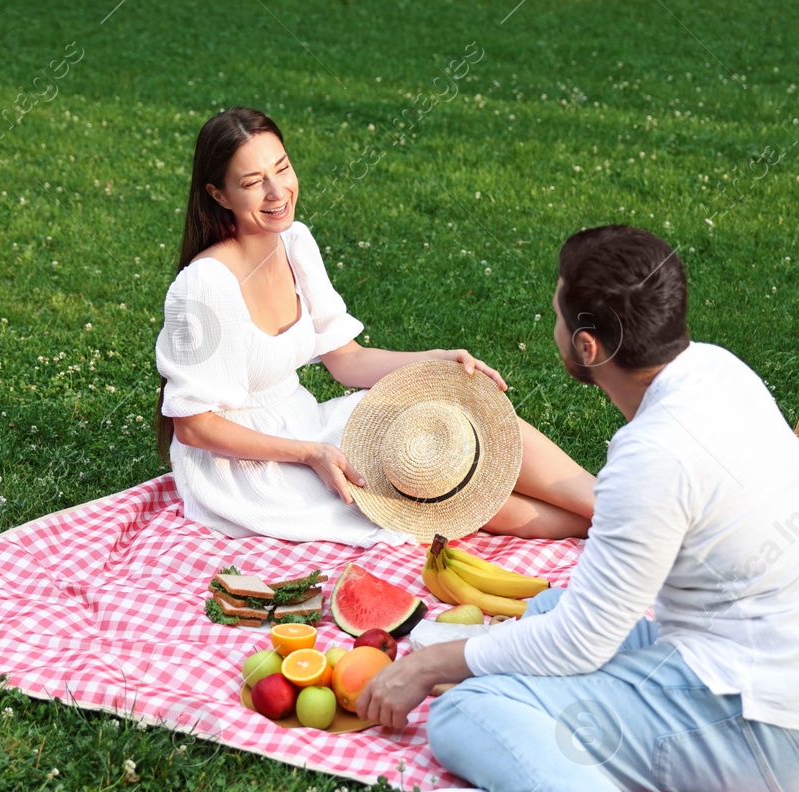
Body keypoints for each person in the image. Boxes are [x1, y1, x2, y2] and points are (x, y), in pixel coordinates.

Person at [355, 225, 799, 792]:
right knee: (535, 620)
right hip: (788, 674)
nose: (553, 320)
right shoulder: (717, 370)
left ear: (589, 347)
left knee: (467, 707)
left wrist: (432, 664)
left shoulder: (653, 455)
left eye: (560, 311)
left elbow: (581, 646)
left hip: (775, 730)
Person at [154, 107, 597, 546]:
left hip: (306, 423)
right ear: (218, 194)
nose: (277, 191)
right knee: (438, 489)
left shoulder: (293, 242)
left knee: (457, 423)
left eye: (282, 168)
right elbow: (193, 427)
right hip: (245, 466)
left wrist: (436, 361)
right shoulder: (205, 286)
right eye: (252, 183)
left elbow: (346, 360)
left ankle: (614, 505)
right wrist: (309, 455)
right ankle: (623, 526)